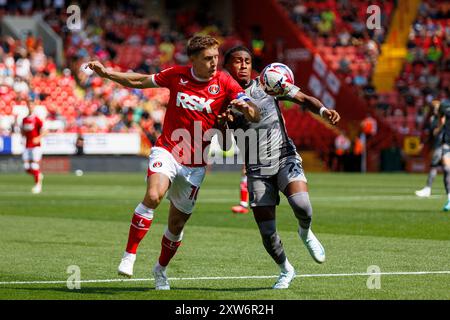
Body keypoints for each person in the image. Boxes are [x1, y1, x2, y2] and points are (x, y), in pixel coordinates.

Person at [87, 35, 260, 290]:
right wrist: (108, 73)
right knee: (154, 195)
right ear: (193, 60)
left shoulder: (225, 82)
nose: (214, 63)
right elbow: (139, 80)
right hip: (167, 149)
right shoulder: (176, 75)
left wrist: (246, 110)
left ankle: (160, 270)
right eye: (208, 59)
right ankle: (129, 255)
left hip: (196, 164)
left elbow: (254, 113)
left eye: (216, 57)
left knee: (176, 226)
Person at [223, 46, 340, 289]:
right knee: (267, 232)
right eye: (237, 61)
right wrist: (226, 125)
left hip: (284, 156)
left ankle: (305, 232)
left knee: (302, 206)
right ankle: (286, 270)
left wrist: (323, 111)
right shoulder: (222, 100)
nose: (243, 65)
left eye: (247, 60)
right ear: (227, 67)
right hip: (256, 168)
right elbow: (224, 144)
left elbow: (304, 99)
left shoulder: (269, 83)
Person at [415, 100, 443, 197]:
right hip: (440, 145)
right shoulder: (433, 119)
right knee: (434, 166)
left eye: (437, 108)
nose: (435, 110)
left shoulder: (446, 117)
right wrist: (423, 143)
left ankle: (428, 189)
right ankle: (428, 188)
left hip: (446, 144)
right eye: (433, 108)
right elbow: (432, 134)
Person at [21, 100, 46, 194]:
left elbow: (45, 131)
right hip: (27, 146)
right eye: (29, 105)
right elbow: (23, 131)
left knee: (34, 165)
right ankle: (38, 175)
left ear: (34, 107)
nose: (30, 107)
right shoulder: (24, 119)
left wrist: (38, 138)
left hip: (36, 146)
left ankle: (37, 186)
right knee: (26, 167)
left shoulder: (37, 119)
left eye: (32, 105)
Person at [435, 100, 450, 211]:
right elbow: (441, 120)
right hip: (447, 142)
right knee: (447, 169)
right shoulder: (444, 105)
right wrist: (438, 129)